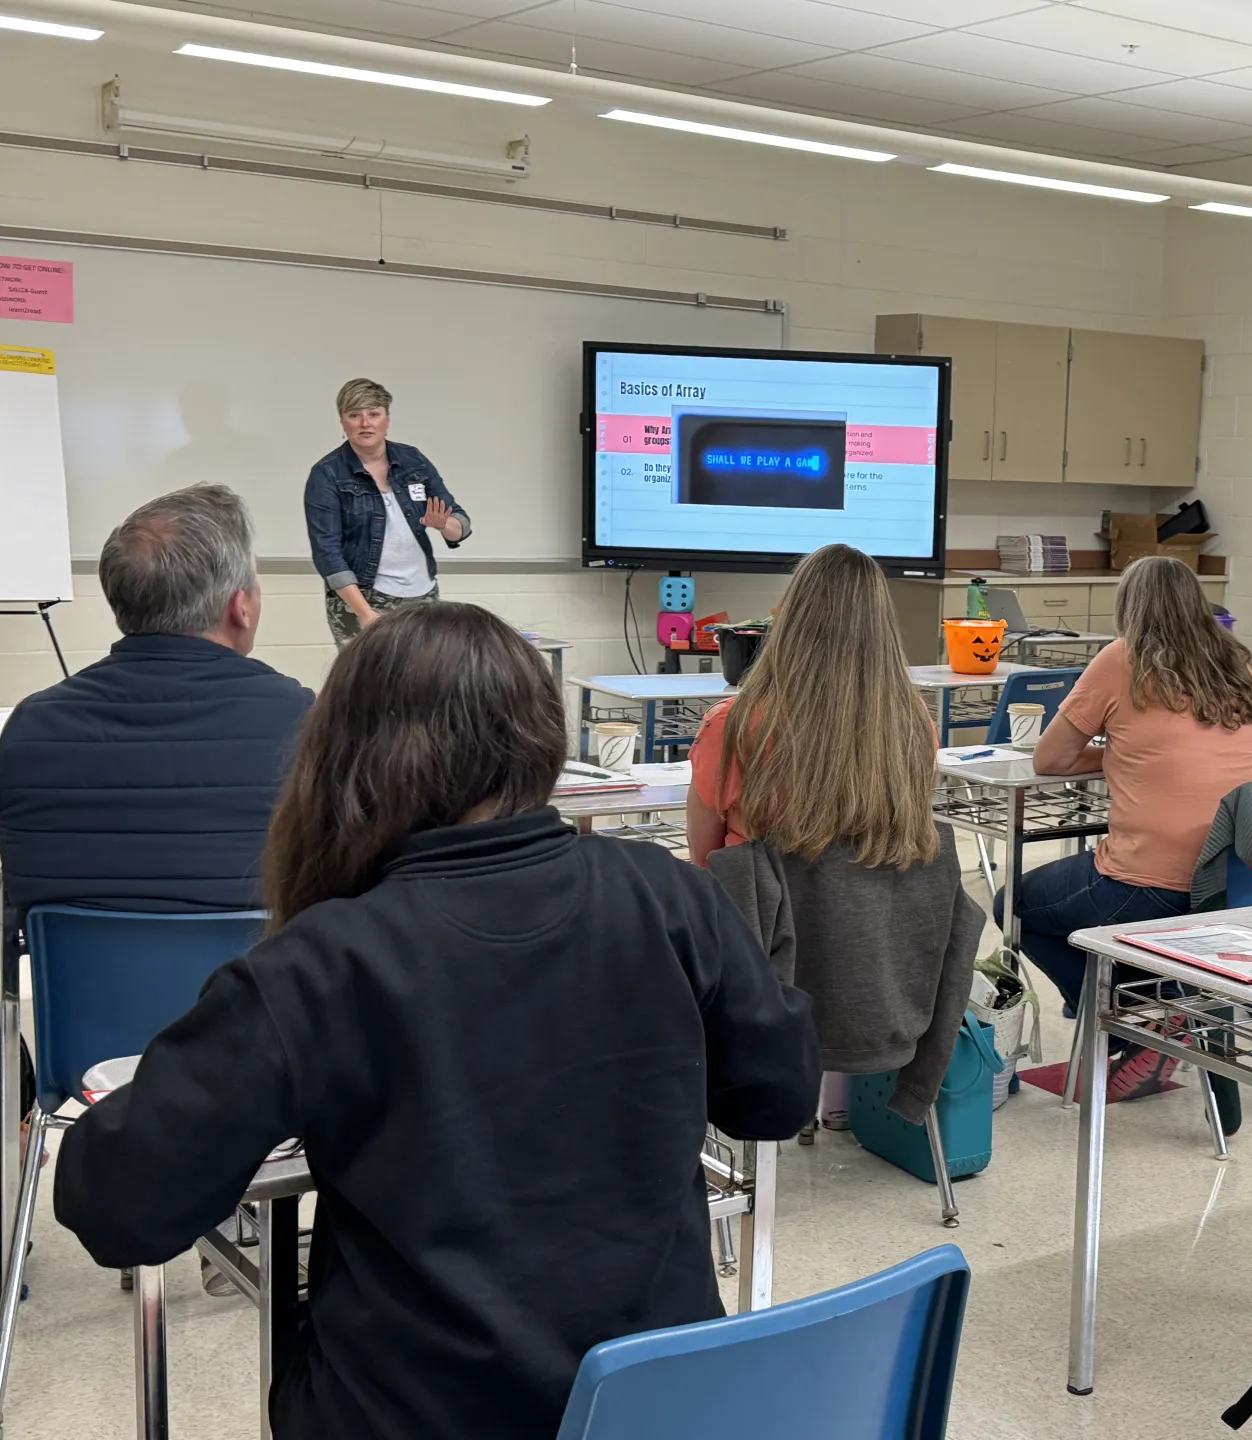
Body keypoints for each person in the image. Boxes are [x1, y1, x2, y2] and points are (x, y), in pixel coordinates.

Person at [52, 603, 819, 1440]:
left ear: (347, 759)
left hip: (414, 1413)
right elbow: (777, 1098)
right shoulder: (670, 895)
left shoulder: (319, 965)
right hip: (650, 1407)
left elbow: (117, 1208)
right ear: (539, 736)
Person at [997, 556, 1252, 1100]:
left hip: (1153, 881)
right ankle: (1158, 1014)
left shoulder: (1123, 658)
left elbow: (1050, 759)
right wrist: (1129, 754)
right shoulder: (1236, 663)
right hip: (1239, 880)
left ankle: (1133, 1024)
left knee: (1015, 906)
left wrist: (1120, 753)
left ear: (1129, 607)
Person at [0, 484, 311, 913]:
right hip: (260, 958)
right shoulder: (308, 722)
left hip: (78, 960)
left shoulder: (30, 727)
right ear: (240, 608)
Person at [687, 543, 938, 871]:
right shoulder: (912, 718)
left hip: (759, 902)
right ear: (883, 625)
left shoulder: (732, 723)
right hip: (881, 903)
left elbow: (704, 856)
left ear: (790, 619)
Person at [304, 377, 471, 647]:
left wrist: (443, 525)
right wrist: (365, 613)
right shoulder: (327, 474)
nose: (365, 423)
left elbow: (460, 524)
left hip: (422, 593)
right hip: (363, 598)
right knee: (369, 673)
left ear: (387, 418)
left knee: (425, 670)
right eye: (354, 415)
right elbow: (327, 552)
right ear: (342, 421)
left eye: (374, 414)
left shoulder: (413, 460)